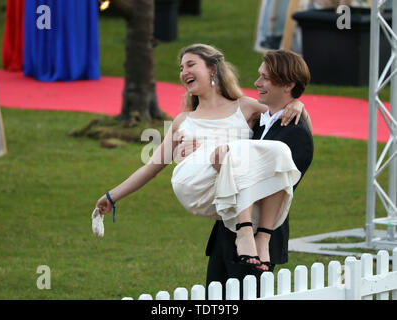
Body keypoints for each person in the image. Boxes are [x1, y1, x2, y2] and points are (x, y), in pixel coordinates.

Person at [95, 44, 312, 274]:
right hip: (198, 184)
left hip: (233, 195)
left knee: (257, 152)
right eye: (181, 68)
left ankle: (251, 232)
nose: (183, 72)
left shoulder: (246, 107)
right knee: (234, 153)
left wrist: (298, 103)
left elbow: (280, 120)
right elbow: (151, 167)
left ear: (212, 69)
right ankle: (245, 231)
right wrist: (112, 196)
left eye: (190, 64)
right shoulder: (182, 121)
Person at [197, 49, 314, 296]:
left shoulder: (296, 134)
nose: (256, 83)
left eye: (265, 78)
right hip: (225, 235)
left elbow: (275, 187)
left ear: (288, 84)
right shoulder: (260, 121)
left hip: (260, 239)